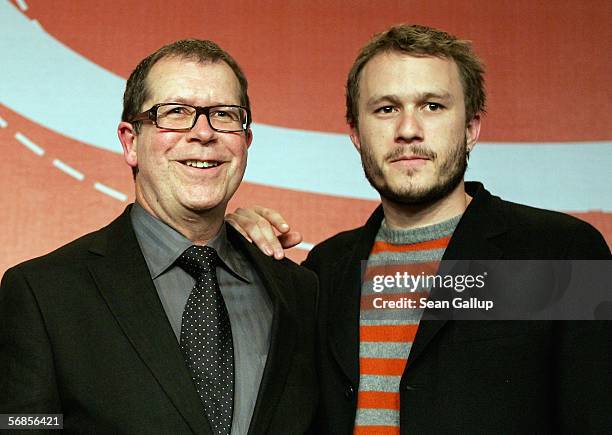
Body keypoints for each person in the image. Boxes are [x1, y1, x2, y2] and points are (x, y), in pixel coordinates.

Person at [227, 25, 612, 434]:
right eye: (386, 109)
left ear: (471, 128)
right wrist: (228, 243)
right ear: (356, 133)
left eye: (432, 106)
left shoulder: (562, 251)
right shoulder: (325, 269)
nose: (408, 129)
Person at [0, 40, 319, 434]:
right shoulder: (43, 293)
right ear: (130, 142)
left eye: (223, 114)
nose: (203, 133)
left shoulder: (301, 293)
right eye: (176, 112)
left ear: (246, 141)